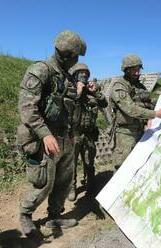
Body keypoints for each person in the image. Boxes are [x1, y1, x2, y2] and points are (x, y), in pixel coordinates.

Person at [16, 30, 86, 236]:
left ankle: (54, 216)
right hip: (43, 139)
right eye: (75, 57)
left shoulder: (66, 76)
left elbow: (68, 107)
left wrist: (71, 133)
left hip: (64, 138)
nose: (76, 61)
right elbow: (27, 107)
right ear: (66, 54)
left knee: (63, 182)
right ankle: (25, 215)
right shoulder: (40, 70)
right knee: (43, 183)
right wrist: (45, 134)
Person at [109, 54, 161, 170]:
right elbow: (130, 109)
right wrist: (156, 114)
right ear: (126, 70)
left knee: (138, 165)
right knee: (122, 169)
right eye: (134, 70)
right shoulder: (119, 86)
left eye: (138, 70)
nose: (137, 73)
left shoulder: (140, 86)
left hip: (141, 131)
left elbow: (148, 103)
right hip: (125, 134)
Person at [67, 63, 108, 201]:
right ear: (75, 74)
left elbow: (104, 103)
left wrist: (95, 91)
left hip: (89, 134)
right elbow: (65, 107)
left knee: (89, 162)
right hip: (74, 134)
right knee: (71, 163)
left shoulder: (92, 91)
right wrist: (77, 93)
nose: (84, 75)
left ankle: (91, 184)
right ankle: (71, 187)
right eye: (81, 73)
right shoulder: (69, 89)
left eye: (86, 73)